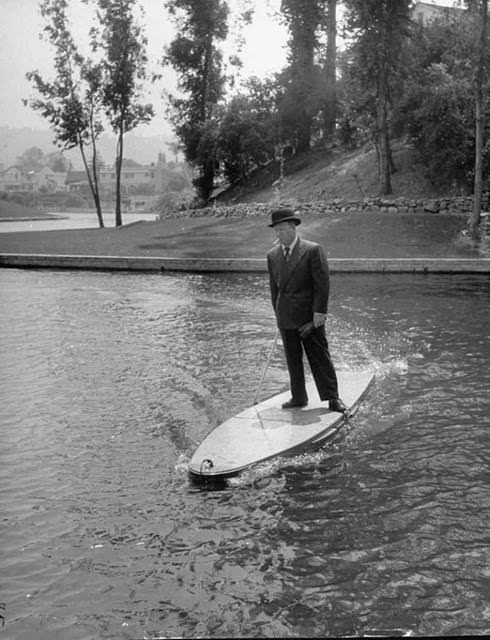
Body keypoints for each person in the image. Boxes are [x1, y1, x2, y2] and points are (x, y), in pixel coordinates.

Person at [266, 207, 350, 414]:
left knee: (319, 357)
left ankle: (332, 398)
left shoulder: (312, 250)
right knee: (292, 360)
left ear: (294, 228)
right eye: (277, 231)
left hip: (309, 317)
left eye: (284, 229)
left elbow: (322, 284)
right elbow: (274, 289)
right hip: (286, 317)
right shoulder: (272, 255)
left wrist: (319, 314)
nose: (280, 234)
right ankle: (298, 397)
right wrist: (278, 316)